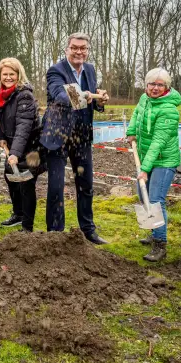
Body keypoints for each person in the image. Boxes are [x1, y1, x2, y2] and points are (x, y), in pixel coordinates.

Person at [40, 32, 109, 243]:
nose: (79, 52)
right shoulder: (56, 71)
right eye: (74, 48)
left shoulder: (89, 69)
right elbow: (59, 95)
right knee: (56, 187)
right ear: (67, 49)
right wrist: (82, 95)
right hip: (58, 136)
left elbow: (93, 100)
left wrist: (100, 100)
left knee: (86, 184)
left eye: (83, 48)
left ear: (87, 50)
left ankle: (88, 230)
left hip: (81, 138)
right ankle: (55, 234)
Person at [125, 68, 181, 261]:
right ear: (146, 85)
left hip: (163, 160)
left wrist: (145, 168)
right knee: (143, 194)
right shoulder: (144, 99)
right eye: (152, 84)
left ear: (167, 87)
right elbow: (136, 115)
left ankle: (160, 245)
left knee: (156, 200)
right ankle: (153, 232)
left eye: (160, 85)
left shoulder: (169, 109)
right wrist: (131, 132)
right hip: (147, 158)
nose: (155, 88)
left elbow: (158, 141)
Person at [0, 57, 44, 233]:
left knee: (26, 185)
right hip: (13, 147)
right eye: (4, 74)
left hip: (31, 148)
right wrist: (2, 138)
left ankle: (27, 226)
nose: (8, 77)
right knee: (11, 179)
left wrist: (15, 153)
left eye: (12, 74)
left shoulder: (24, 95)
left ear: (18, 75)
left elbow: (23, 126)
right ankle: (18, 214)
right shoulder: (2, 95)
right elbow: (2, 120)